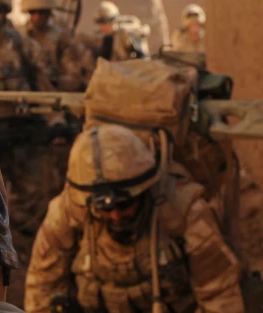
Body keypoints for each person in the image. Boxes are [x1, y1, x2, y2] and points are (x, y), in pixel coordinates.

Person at [24, 124, 245, 313]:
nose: (116, 215)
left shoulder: (183, 210)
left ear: (143, 191)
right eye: (103, 209)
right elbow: (42, 287)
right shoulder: (68, 213)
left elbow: (219, 294)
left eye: (125, 205)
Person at [19, 0, 94, 91]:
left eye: (41, 12)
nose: (37, 16)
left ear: (49, 12)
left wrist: (54, 81)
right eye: (33, 12)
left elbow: (74, 75)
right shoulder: (20, 36)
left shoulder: (60, 37)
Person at [81, 1, 148, 62]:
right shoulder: (103, 35)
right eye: (100, 23)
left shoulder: (125, 33)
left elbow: (142, 57)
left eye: (105, 23)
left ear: (112, 21)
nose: (102, 27)